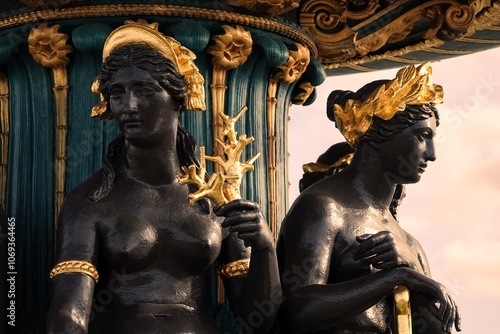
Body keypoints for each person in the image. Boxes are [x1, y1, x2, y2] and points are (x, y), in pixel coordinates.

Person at [46, 20, 281, 334]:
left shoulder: (216, 198)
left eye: (144, 91)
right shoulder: (90, 201)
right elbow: (69, 313)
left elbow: (257, 319)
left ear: (178, 96)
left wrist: (265, 248)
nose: (128, 106)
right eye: (117, 94)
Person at [277, 63, 461, 334]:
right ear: (383, 130)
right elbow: (297, 309)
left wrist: (412, 274)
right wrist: (396, 277)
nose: (431, 154)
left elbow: (432, 328)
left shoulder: (411, 246)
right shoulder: (324, 208)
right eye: (422, 136)